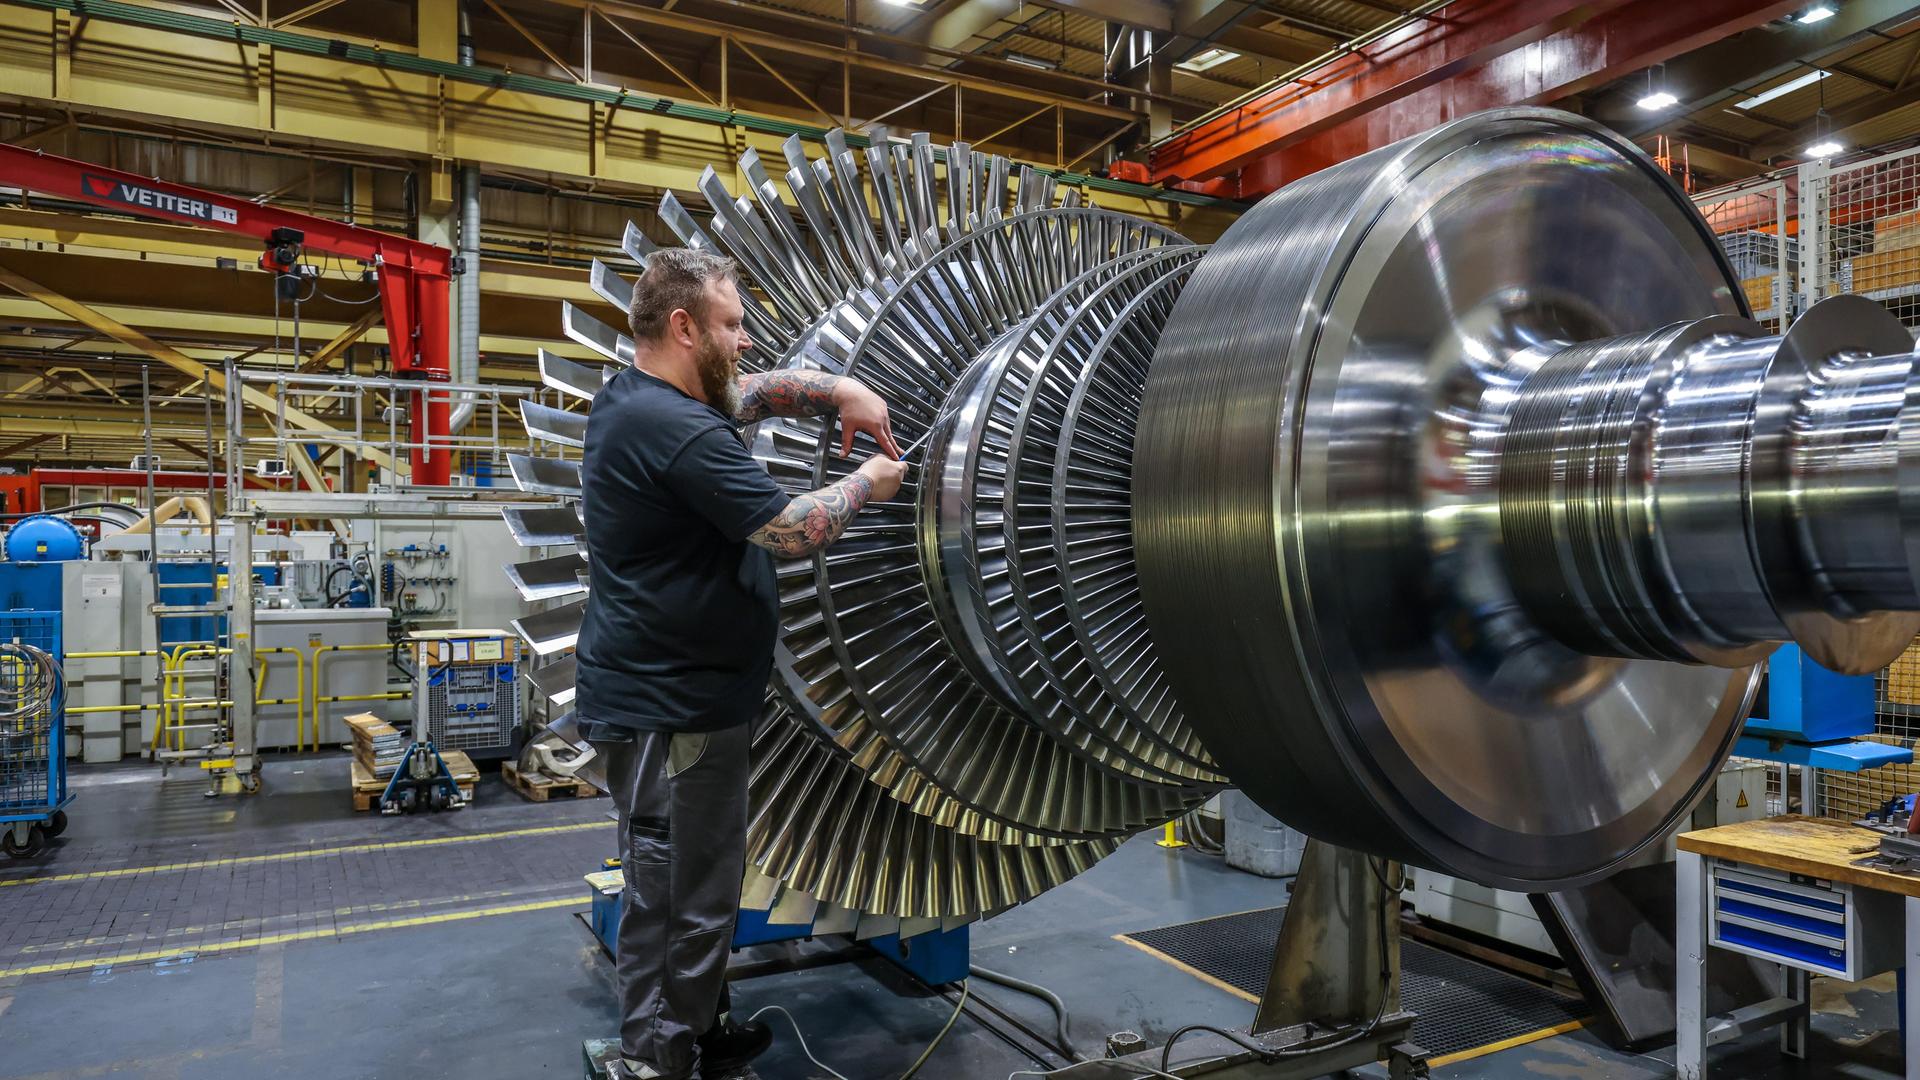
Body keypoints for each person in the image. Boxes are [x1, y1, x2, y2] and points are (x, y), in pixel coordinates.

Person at [575, 246, 908, 1080]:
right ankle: (654, 1058)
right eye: (732, 324)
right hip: (672, 708)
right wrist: (870, 481)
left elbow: (752, 395)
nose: (747, 341)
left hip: (689, 699)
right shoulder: (676, 431)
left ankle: (698, 1021)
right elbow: (792, 526)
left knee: (701, 875)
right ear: (683, 327)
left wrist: (839, 390)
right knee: (678, 890)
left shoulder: (644, 395)